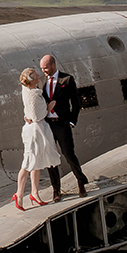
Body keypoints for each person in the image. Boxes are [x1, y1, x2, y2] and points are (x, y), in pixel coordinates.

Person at [40, 54, 89, 200]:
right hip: (48, 124)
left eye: (45, 68)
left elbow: (76, 102)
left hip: (62, 124)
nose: (43, 71)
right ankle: (56, 189)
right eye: (42, 68)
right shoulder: (42, 81)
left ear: (53, 65)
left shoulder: (66, 80)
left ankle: (81, 181)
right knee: (50, 158)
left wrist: (72, 121)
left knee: (68, 154)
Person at [15, 67, 62, 210]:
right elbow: (36, 116)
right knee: (28, 163)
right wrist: (48, 108)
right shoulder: (33, 94)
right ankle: (19, 194)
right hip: (35, 131)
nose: (38, 75)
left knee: (37, 162)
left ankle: (34, 193)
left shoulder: (28, 90)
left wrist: (27, 114)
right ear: (32, 79)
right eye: (35, 74)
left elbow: (29, 111)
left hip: (37, 129)